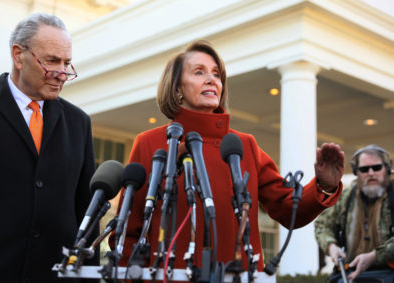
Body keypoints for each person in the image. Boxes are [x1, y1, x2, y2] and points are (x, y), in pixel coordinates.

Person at [109, 39, 344, 276]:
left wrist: (323, 186)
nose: (212, 79)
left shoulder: (244, 145)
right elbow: (129, 229)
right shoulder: (149, 143)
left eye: (217, 74)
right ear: (177, 88)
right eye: (199, 72)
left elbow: (287, 208)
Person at [0, 13, 97, 282]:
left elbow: (87, 211)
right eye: (52, 61)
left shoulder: (79, 123)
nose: (62, 73)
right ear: (18, 55)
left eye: (67, 63)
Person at [315, 145, 394, 282]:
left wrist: (375, 256)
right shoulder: (346, 196)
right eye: (364, 169)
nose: (370, 173)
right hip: (350, 273)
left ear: (387, 169)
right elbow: (322, 225)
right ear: (356, 172)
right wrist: (331, 246)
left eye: (376, 168)